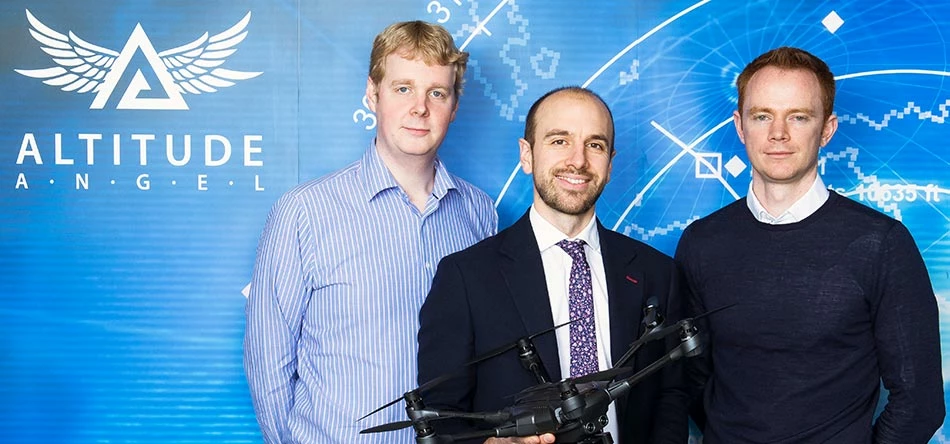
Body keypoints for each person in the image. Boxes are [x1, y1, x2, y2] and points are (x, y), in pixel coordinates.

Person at [243, 21, 497, 444]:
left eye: (437, 92)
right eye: (403, 88)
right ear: (372, 93)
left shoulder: (479, 212)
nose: (420, 107)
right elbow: (268, 362)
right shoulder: (304, 213)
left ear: (454, 106)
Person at [675, 46, 944, 443]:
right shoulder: (701, 242)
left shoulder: (881, 244)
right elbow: (692, 379)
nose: (778, 133)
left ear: (827, 129)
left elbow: (919, 403)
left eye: (798, 117)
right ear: (739, 126)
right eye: (762, 116)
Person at [417, 86, 689, 444]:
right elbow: (439, 416)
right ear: (527, 155)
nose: (578, 160)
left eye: (595, 145)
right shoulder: (466, 277)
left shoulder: (656, 273)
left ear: (610, 164)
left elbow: (670, 396)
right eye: (559, 141)